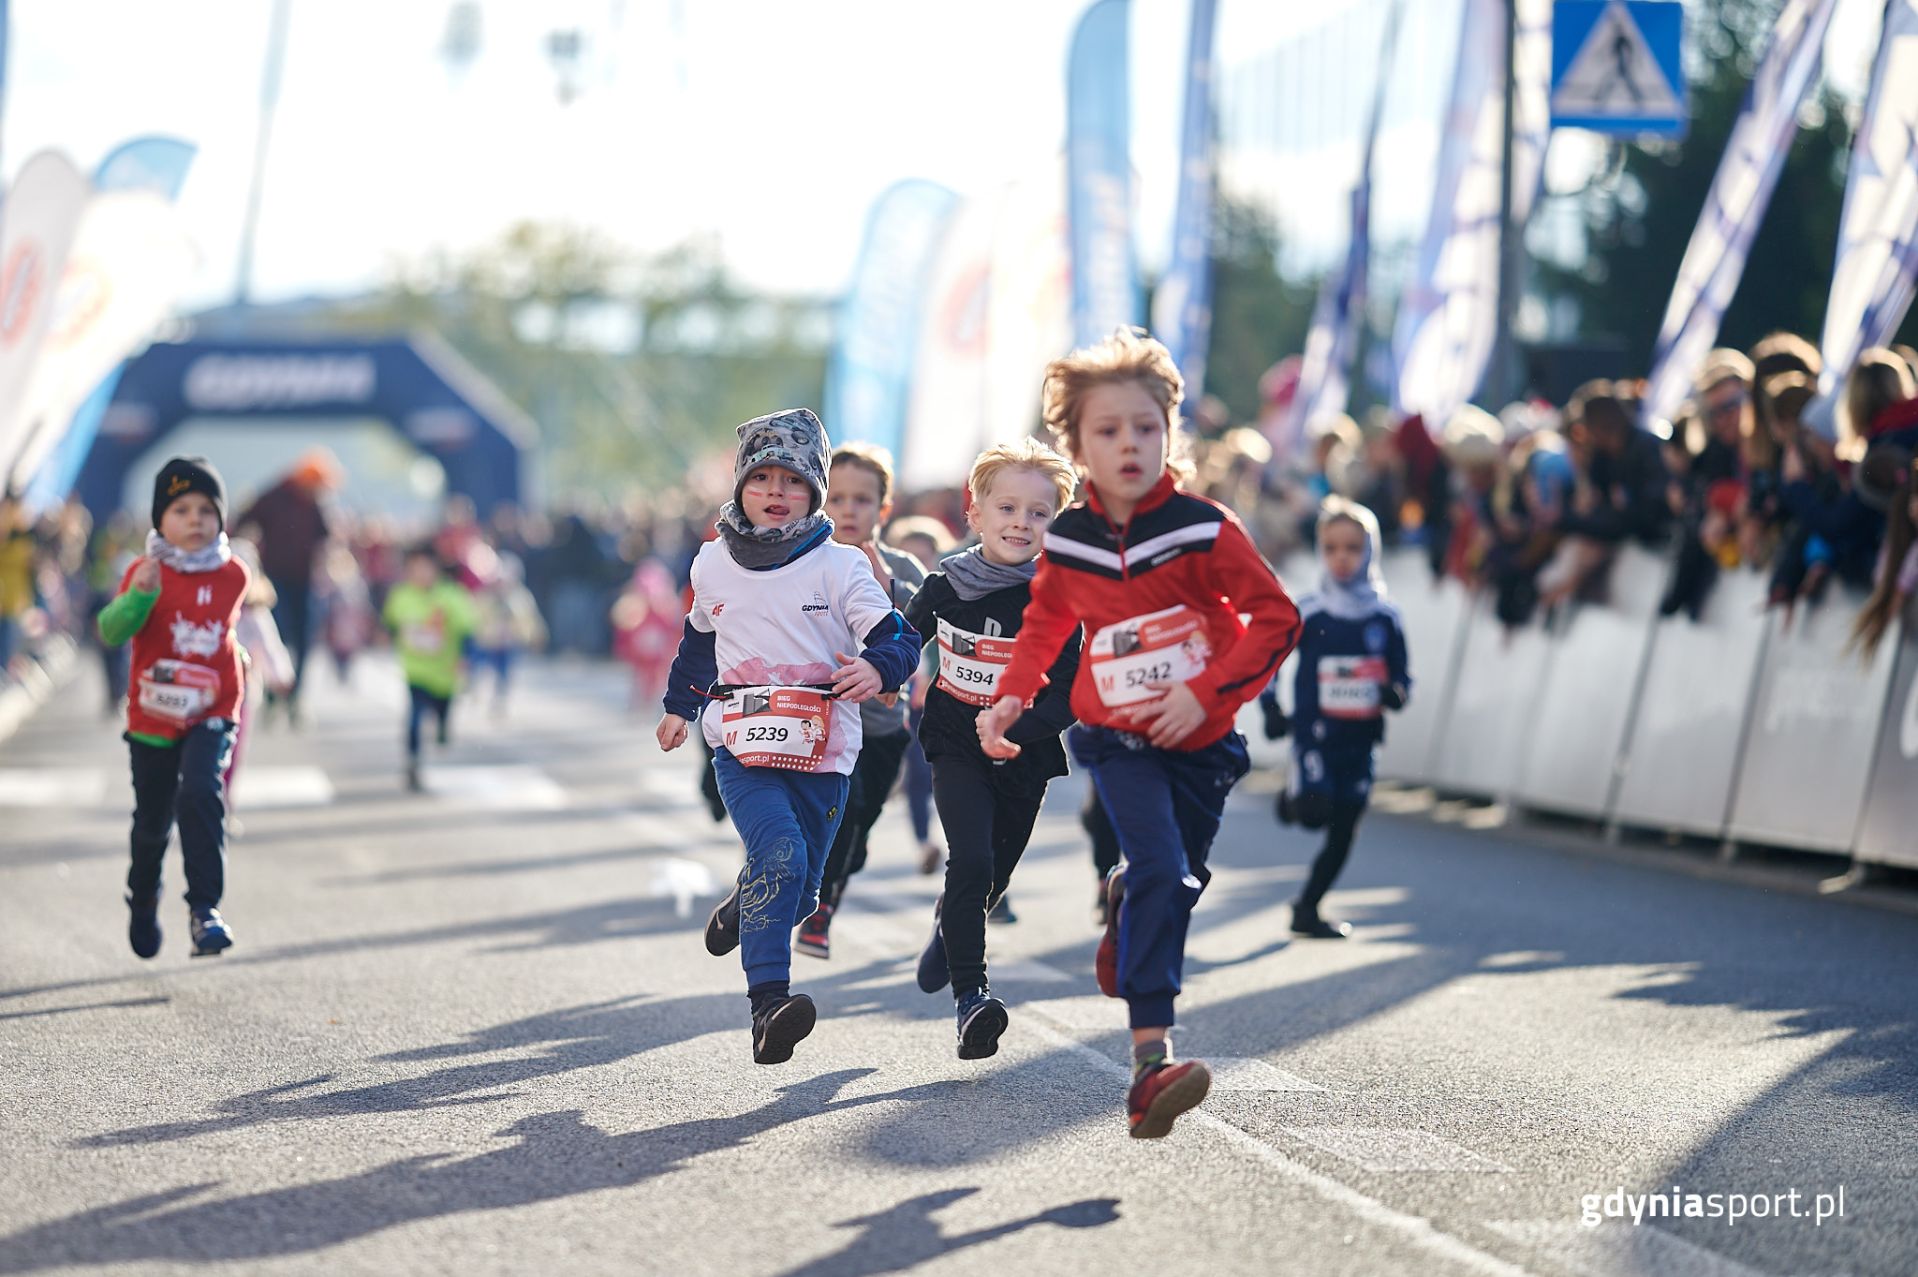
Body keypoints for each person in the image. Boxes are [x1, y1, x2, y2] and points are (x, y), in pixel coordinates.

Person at [976, 331, 1302, 1139]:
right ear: (1077, 443)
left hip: (1203, 740)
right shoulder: (1071, 538)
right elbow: (1047, 621)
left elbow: (1277, 618)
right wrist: (1011, 697)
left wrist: (1204, 692)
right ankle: (1151, 1059)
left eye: (1146, 428)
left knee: (1175, 879)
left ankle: (1127, 908)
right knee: (1160, 864)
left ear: (1170, 433)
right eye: (1109, 429)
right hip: (1118, 739)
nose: (1130, 444)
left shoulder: (1203, 528)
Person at [658, 409, 919, 1065]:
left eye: (793, 481)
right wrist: (678, 708)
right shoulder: (713, 562)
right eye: (761, 477)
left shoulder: (840, 566)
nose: (775, 492)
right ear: (741, 485)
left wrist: (874, 666)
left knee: (801, 886)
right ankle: (769, 1006)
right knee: (779, 856)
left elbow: (899, 638)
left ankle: (743, 906)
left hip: (824, 755)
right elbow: (698, 641)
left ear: (815, 492)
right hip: (742, 752)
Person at [903, 440, 1080, 1059]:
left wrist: (1014, 730)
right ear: (973, 513)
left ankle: (947, 930)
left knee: (992, 878)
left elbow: (1070, 698)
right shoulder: (945, 584)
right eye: (1006, 507)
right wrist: (875, 670)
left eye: (1039, 513)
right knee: (970, 861)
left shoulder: (1059, 602)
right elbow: (902, 643)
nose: (1021, 523)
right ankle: (971, 998)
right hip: (954, 741)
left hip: (1022, 755)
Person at [95, 457, 250, 959]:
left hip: (213, 708)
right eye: (181, 509)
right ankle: (142, 898)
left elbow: (222, 630)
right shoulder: (146, 572)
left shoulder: (233, 575)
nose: (195, 519)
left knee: (202, 792)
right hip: (153, 718)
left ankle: (205, 908)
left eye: (207, 509)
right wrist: (138, 599)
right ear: (160, 519)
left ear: (220, 520)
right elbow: (111, 631)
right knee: (152, 823)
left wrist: (240, 657)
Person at [793, 442, 926, 960]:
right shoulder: (801, 561)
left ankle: (830, 892)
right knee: (827, 817)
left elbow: (920, 635)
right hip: (812, 718)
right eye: (838, 499)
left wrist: (887, 590)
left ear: (883, 509)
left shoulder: (905, 570)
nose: (849, 510)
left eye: (863, 500)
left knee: (860, 822)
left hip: (880, 725)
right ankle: (815, 911)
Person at [1260, 497, 1410, 938]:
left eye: (1352, 548)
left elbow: (1402, 674)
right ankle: (1292, 800)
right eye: (1332, 548)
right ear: (1321, 552)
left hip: (1361, 738)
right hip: (1315, 733)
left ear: (1371, 552)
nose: (1342, 558)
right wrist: (1271, 706)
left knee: (1345, 828)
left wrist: (1395, 692)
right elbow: (1271, 659)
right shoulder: (1309, 609)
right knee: (1314, 812)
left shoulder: (1386, 615)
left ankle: (1308, 907)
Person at [234, 450, 338, 725]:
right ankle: (272, 694)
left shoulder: (315, 503)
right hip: (274, 580)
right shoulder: (273, 497)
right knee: (272, 638)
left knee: (304, 640)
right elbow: (243, 520)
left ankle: (294, 697)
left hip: (306, 581)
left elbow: (326, 538)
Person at [382, 546, 478, 793]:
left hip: (444, 671)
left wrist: (466, 657)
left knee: (442, 707)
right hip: (416, 670)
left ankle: (444, 725)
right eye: (415, 569)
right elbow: (391, 622)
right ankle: (413, 761)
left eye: (426, 568)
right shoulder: (401, 595)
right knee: (414, 716)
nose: (421, 574)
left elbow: (467, 627)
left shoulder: (451, 596)